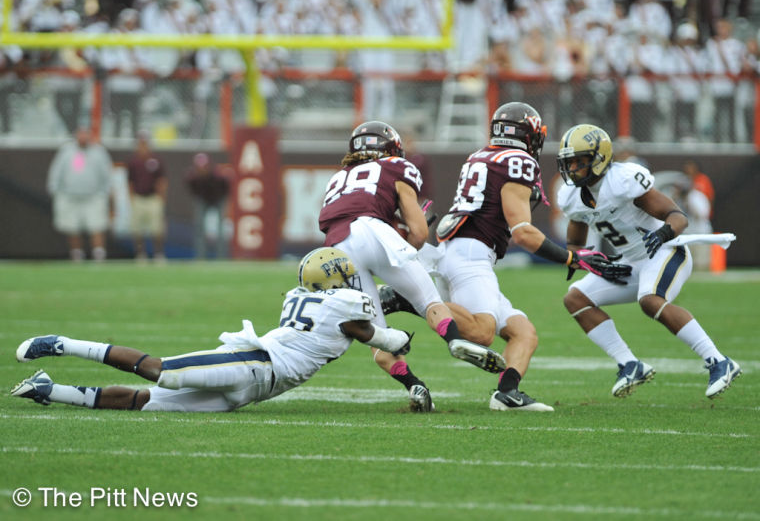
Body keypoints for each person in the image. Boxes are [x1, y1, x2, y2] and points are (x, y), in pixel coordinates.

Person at [386, 103, 630, 412]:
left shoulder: (482, 155)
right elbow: (523, 234)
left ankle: (507, 393)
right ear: (528, 134)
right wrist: (572, 258)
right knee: (481, 332)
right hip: (471, 255)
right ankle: (408, 298)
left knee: (522, 332)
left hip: (460, 250)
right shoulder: (518, 161)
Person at [11, 248, 415, 413]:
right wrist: (401, 335)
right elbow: (377, 336)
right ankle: (60, 343)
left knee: (146, 403)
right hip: (254, 362)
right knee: (159, 370)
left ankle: (48, 390)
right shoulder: (345, 306)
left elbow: (356, 322)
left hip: (257, 389)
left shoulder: (306, 297)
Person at [318, 120, 507, 412]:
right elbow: (418, 234)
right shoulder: (396, 166)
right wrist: (407, 239)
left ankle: (414, 385)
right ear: (391, 149)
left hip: (337, 249)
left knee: (377, 337)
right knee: (429, 300)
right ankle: (454, 339)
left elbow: (349, 214)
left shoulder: (337, 178)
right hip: (373, 231)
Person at [555, 123, 741, 399]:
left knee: (650, 299)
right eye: (569, 163)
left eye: (579, 162)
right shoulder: (572, 196)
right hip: (629, 261)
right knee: (575, 298)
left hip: (665, 250)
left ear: (599, 158)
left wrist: (663, 233)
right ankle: (630, 365)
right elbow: (576, 239)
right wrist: (579, 259)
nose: (572, 169)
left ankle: (718, 360)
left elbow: (677, 216)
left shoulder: (623, 180)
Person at [46, 126, 113, 262]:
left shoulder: (99, 152)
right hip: (69, 196)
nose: (83, 137)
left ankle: (99, 255)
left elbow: (106, 174)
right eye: (80, 134)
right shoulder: (66, 151)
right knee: (72, 227)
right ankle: (77, 254)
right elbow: (56, 171)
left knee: (97, 225)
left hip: (93, 196)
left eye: (85, 134)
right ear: (76, 135)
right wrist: (54, 189)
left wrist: (106, 191)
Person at [127, 131, 167, 262]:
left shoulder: (156, 161)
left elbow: (162, 181)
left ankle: (158, 254)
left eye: (145, 144)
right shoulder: (133, 162)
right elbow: (130, 182)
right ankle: (140, 254)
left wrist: (161, 198)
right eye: (141, 144)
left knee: (157, 228)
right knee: (137, 229)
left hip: (153, 198)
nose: (143, 147)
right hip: (139, 198)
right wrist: (131, 198)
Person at [185, 153, 230, 259]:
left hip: (219, 199)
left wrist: (226, 203)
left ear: (208, 166)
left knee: (220, 229)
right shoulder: (192, 177)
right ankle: (200, 257)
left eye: (204, 167)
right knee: (199, 228)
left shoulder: (218, 176)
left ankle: (221, 257)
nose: (202, 170)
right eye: (200, 167)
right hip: (203, 200)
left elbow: (226, 189)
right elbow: (194, 191)